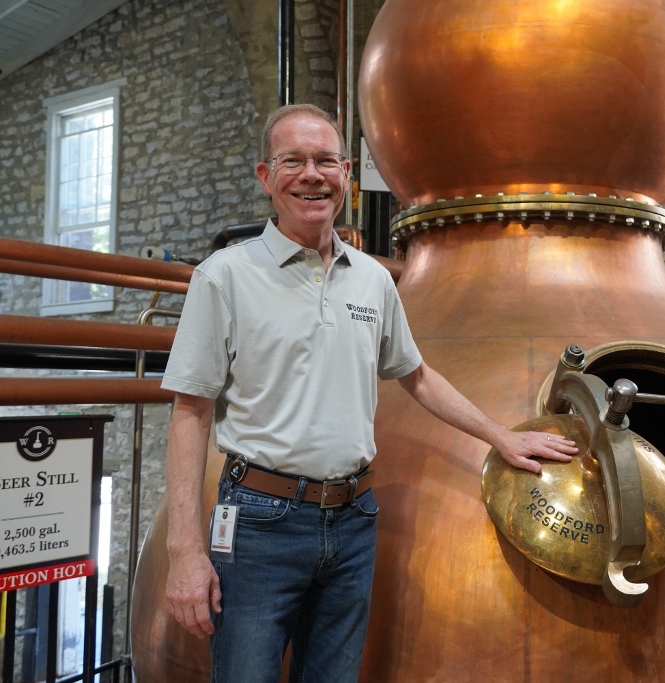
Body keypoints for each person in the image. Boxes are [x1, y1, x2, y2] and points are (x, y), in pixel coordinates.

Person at [161, 104, 578, 683]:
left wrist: (502, 436)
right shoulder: (225, 276)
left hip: (353, 518)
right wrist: (184, 550)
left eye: (326, 161)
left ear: (347, 173)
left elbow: (418, 375)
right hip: (258, 523)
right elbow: (189, 411)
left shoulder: (373, 278)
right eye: (293, 161)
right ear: (265, 176)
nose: (312, 174)